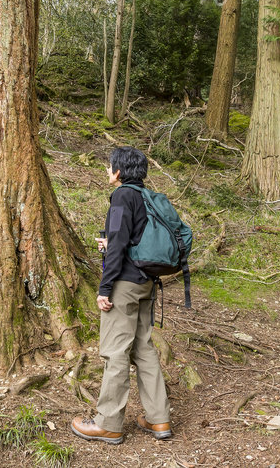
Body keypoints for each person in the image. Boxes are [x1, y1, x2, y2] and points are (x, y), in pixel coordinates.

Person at [71, 145, 173, 446]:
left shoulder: (121, 196)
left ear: (118, 171)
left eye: (109, 166)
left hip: (124, 285)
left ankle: (108, 424)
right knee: (143, 349)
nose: (107, 170)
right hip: (146, 282)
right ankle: (159, 419)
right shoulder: (145, 196)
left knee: (115, 351)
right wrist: (112, 245)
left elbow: (117, 243)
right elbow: (132, 240)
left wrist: (104, 288)